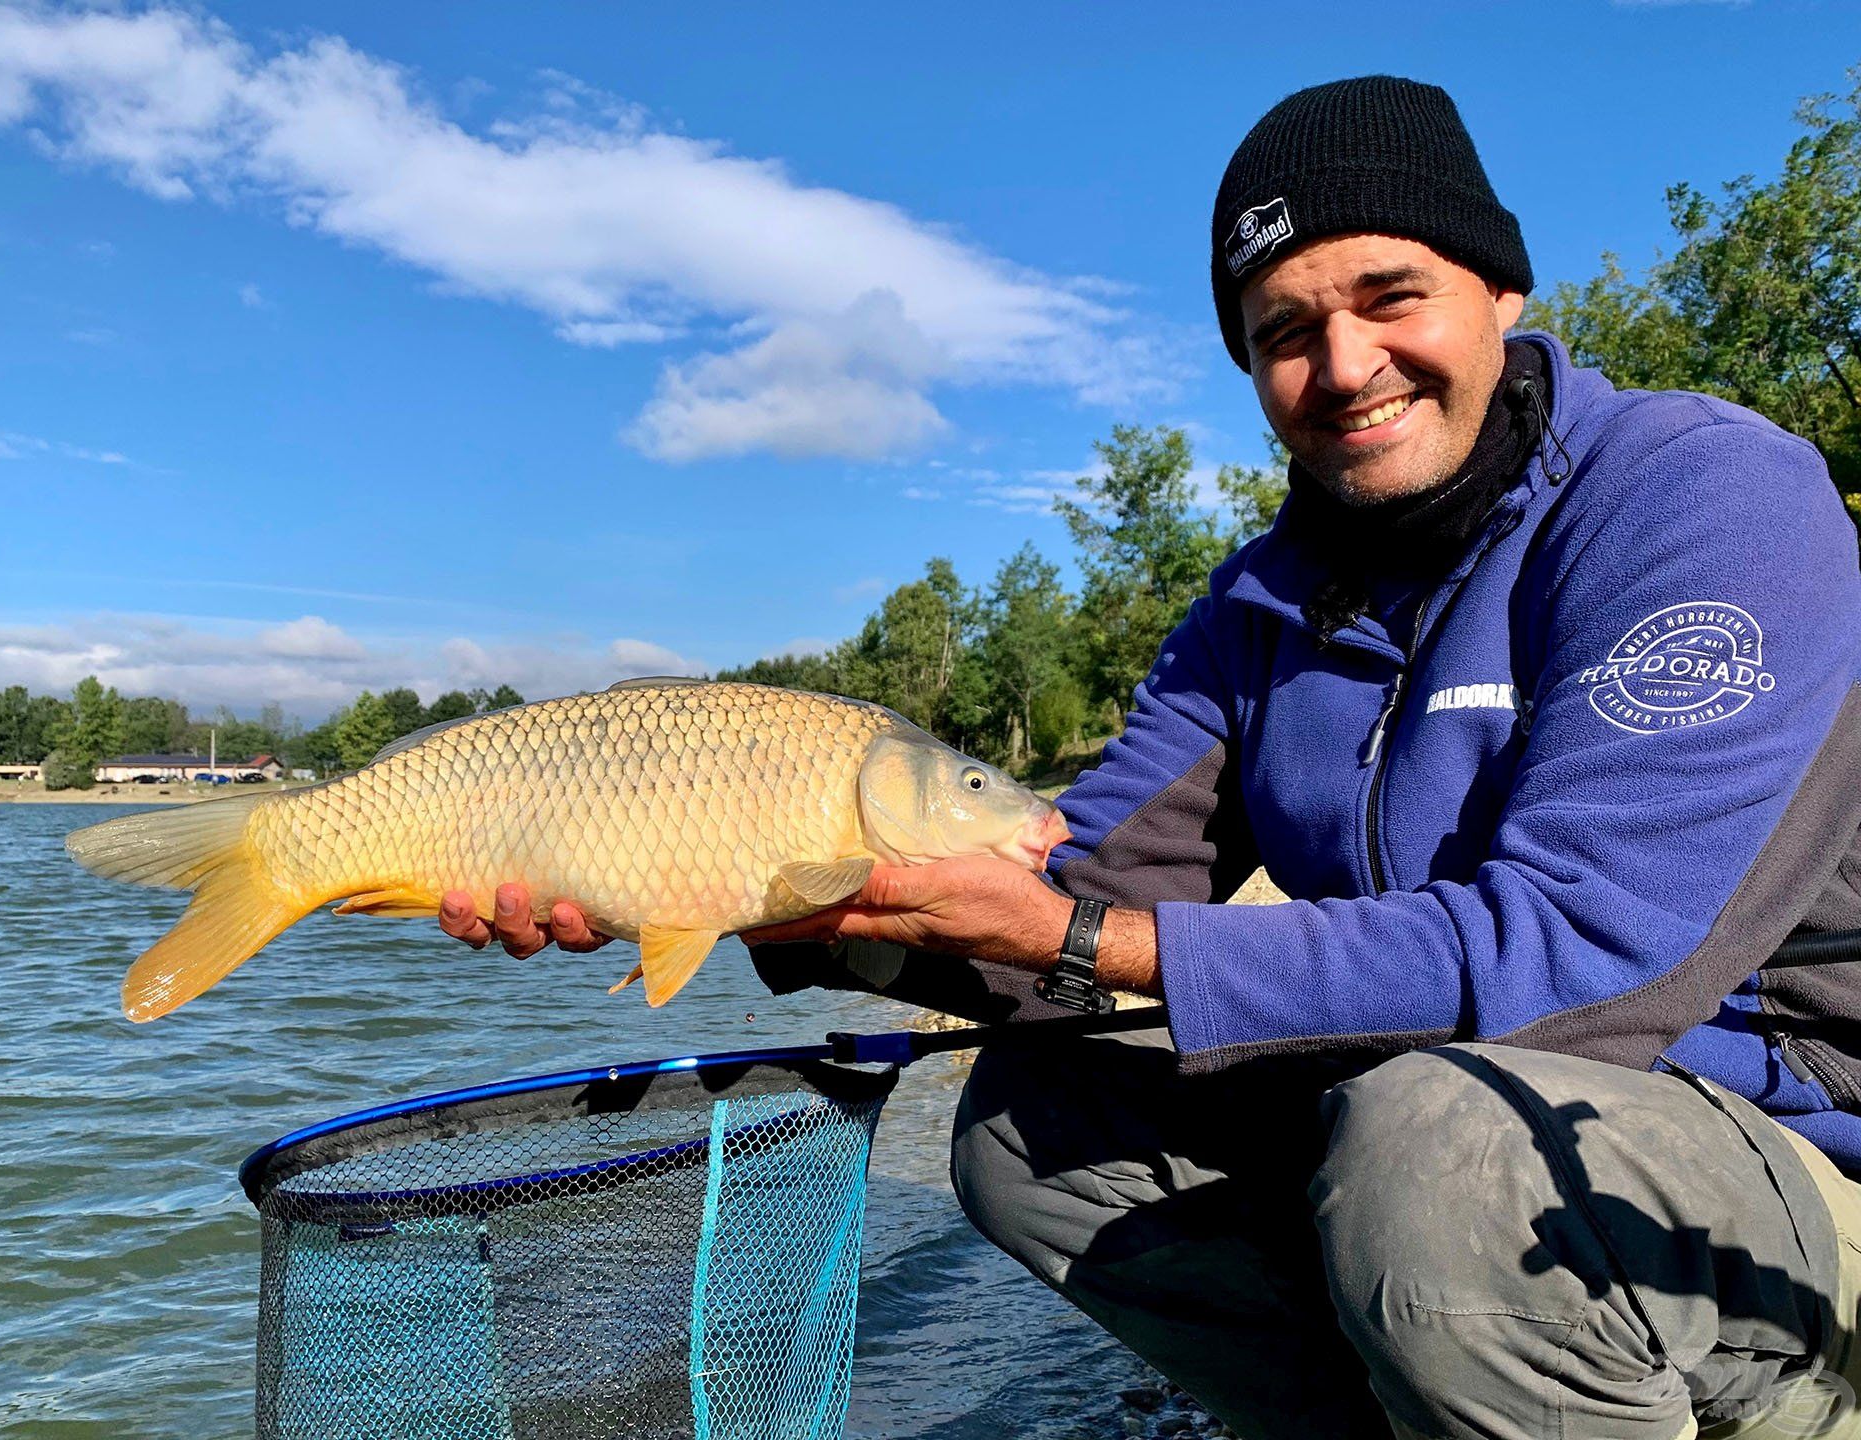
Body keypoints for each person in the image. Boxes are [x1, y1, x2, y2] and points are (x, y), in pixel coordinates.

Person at [437, 77, 1861, 1440]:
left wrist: (1091, 938)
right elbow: (1069, 876)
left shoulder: (1703, 497)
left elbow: (1586, 963)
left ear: (1502, 290)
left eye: (1390, 297)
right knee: (1032, 1123)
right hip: (1445, 1100)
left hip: (1786, 1143)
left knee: (1442, 1153)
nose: (1344, 365)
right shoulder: (1253, 606)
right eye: (1284, 329)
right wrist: (810, 908)